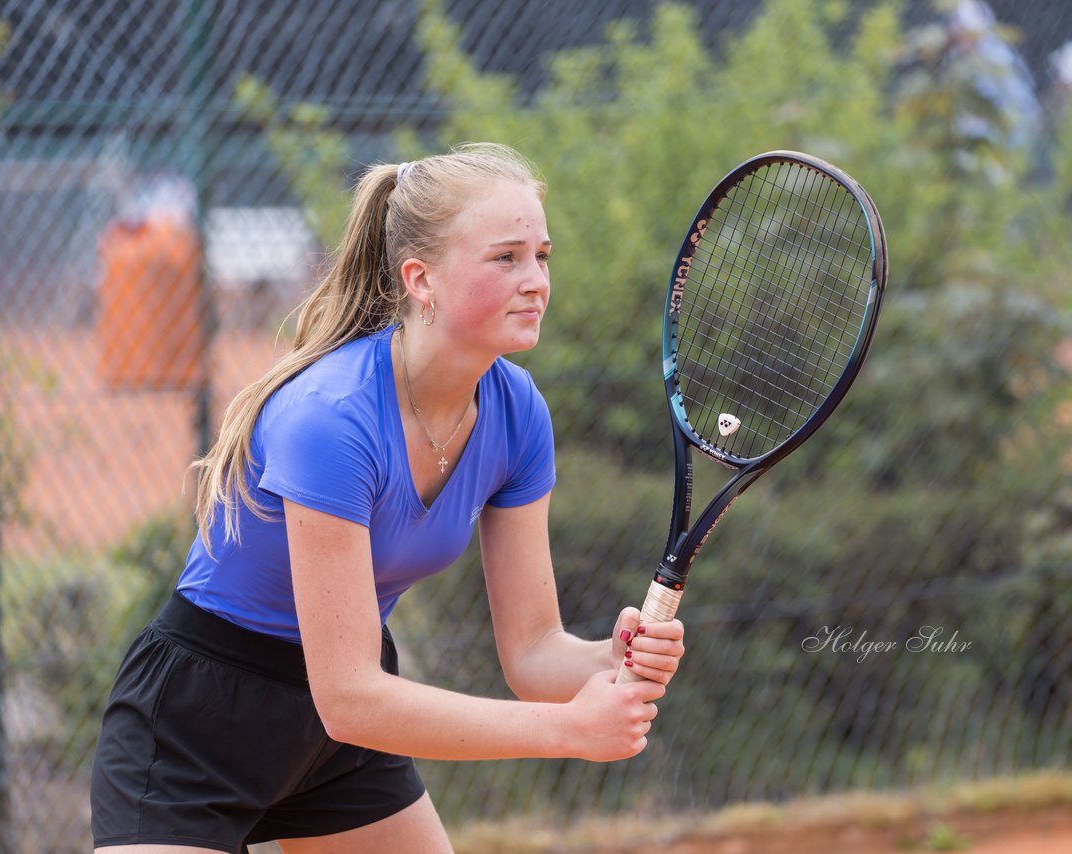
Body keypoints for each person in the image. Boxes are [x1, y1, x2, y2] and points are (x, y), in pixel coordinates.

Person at [90, 143, 687, 853]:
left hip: (342, 736)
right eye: (506, 258)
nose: (536, 281)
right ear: (420, 279)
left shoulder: (517, 413)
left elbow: (531, 652)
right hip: (198, 728)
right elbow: (347, 697)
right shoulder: (332, 418)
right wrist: (567, 731)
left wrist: (607, 661)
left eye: (542, 256)